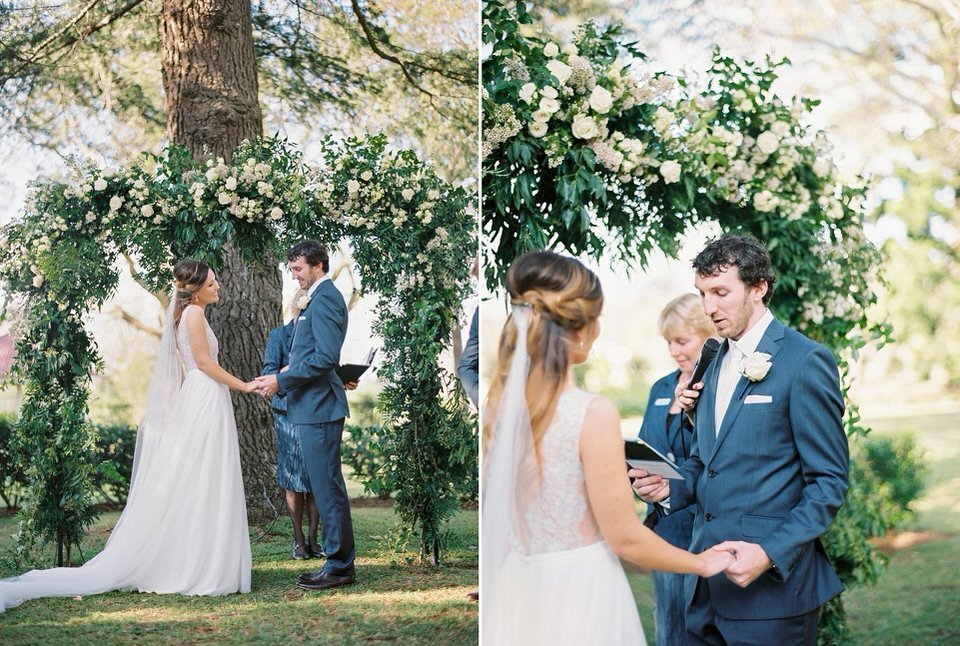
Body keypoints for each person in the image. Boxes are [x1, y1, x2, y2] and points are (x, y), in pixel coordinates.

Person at [482, 250, 735, 645]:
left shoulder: (499, 407)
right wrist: (702, 563)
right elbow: (624, 537)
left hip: (520, 585)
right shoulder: (591, 412)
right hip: (580, 591)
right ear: (581, 329)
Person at [0, 259, 257, 612]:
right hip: (206, 393)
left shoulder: (190, 314)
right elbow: (205, 363)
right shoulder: (195, 314)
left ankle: (198, 556)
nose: (218, 287)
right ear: (195, 289)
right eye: (212, 283)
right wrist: (244, 385)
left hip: (202, 395)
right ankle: (199, 562)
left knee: (201, 478)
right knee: (204, 476)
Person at [632, 234, 849, 645]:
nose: (708, 308)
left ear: (758, 287)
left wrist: (768, 553)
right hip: (705, 584)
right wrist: (667, 488)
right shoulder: (713, 359)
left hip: (772, 598)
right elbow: (705, 463)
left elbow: (828, 483)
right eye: (701, 294)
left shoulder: (805, 361)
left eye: (720, 292)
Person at [255, 241, 356, 591]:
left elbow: (326, 356)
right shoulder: (316, 298)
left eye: (298, 268)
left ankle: (339, 566)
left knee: (327, 490)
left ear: (318, 265)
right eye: (292, 269)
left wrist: (281, 379)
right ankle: (337, 562)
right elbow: (319, 357)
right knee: (327, 488)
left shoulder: (326, 297)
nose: (293, 275)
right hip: (311, 407)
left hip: (319, 409)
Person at [638, 293, 717, 646]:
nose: (673, 350)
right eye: (669, 342)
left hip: (706, 532)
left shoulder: (720, 386)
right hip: (665, 534)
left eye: (682, 341)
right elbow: (642, 452)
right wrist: (639, 484)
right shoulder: (659, 388)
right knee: (669, 628)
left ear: (708, 334)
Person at [262, 289, 321, 560]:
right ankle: (297, 539)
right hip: (287, 414)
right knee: (293, 478)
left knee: (315, 477)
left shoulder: (320, 335)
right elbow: (268, 374)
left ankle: (314, 539)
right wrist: (289, 371)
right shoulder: (279, 335)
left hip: (317, 410)